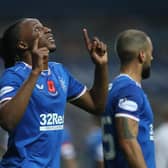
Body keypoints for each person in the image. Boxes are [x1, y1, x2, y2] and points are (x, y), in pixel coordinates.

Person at [0, 18, 108, 167]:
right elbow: (8, 121)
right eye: (37, 29)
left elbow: (97, 106)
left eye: (44, 26)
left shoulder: (59, 72)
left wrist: (101, 66)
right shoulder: (14, 75)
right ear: (22, 44)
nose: (48, 29)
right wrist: (35, 72)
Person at [101, 29, 155, 168]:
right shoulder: (129, 91)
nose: (152, 58)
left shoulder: (112, 88)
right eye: (151, 53)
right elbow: (127, 140)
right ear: (142, 55)